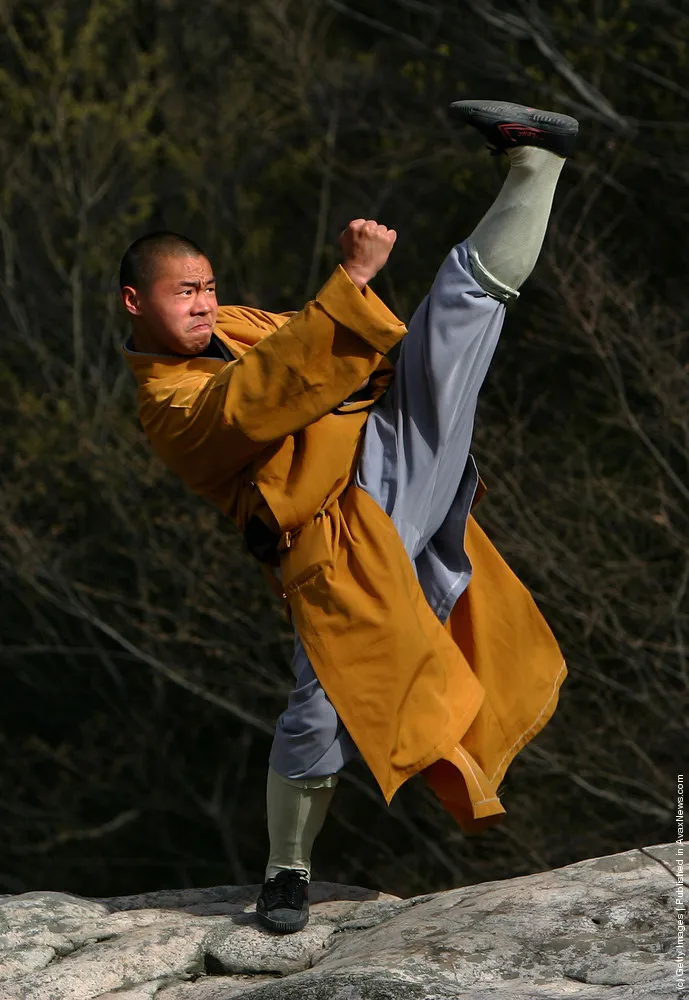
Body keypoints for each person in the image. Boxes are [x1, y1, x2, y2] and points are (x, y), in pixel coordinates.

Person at [121, 101, 578, 935]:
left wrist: (356, 319)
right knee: (317, 707)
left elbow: (329, 343)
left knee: (457, 311)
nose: (201, 303)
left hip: (388, 468)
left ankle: (536, 162)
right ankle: (286, 872)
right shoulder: (166, 404)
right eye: (183, 291)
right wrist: (353, 286)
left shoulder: (235, 325)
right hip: (336, 534)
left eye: (208, 287)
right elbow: (252, 404)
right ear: (134, 303)